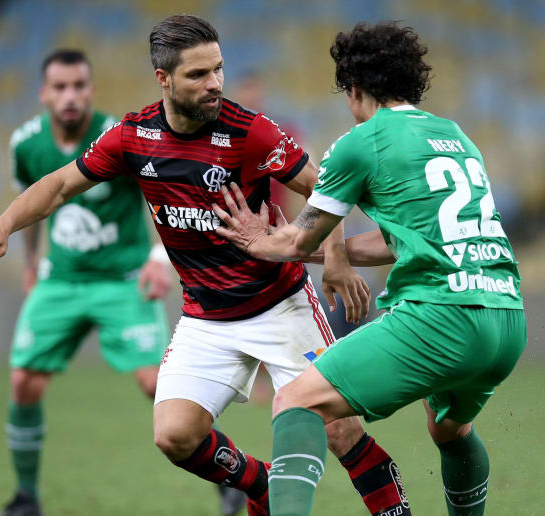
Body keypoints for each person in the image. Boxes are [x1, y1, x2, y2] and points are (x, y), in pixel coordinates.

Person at [0, 15, 411, 516]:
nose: (215, 82)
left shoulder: (250, 131)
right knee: (175, 434)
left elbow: (323, 187)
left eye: (218, 69)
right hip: (206, 318)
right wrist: (0, 226)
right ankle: (260, 486)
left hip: (280, 306)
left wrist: (336, 259)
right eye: (199, 74)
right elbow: (60, 186)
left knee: (341, 430)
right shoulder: (133, 138)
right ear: (164, 79)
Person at [213, 22, 527, 516]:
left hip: (442, 316)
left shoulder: (361, 141)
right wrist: (322, 254)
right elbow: (400, 240)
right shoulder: (456, 136)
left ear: (354, 89)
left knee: (296, 402)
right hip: (505, 316)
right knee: (449, 429)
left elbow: (298, 238)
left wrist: (256, 240)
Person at [0, 48, 185, 516]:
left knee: (157, 385)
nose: (70, 96)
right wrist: (30, 262)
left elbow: (166, 196)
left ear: (91, 90)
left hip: (123, 281)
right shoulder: (26, 144)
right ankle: (25, 496)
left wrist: (159, 259)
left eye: (79, 86)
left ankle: (225, 477)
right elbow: (33, 203)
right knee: (24, 382)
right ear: (43, 94)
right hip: (59, 280)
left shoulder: (118, 138)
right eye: (59, 87)